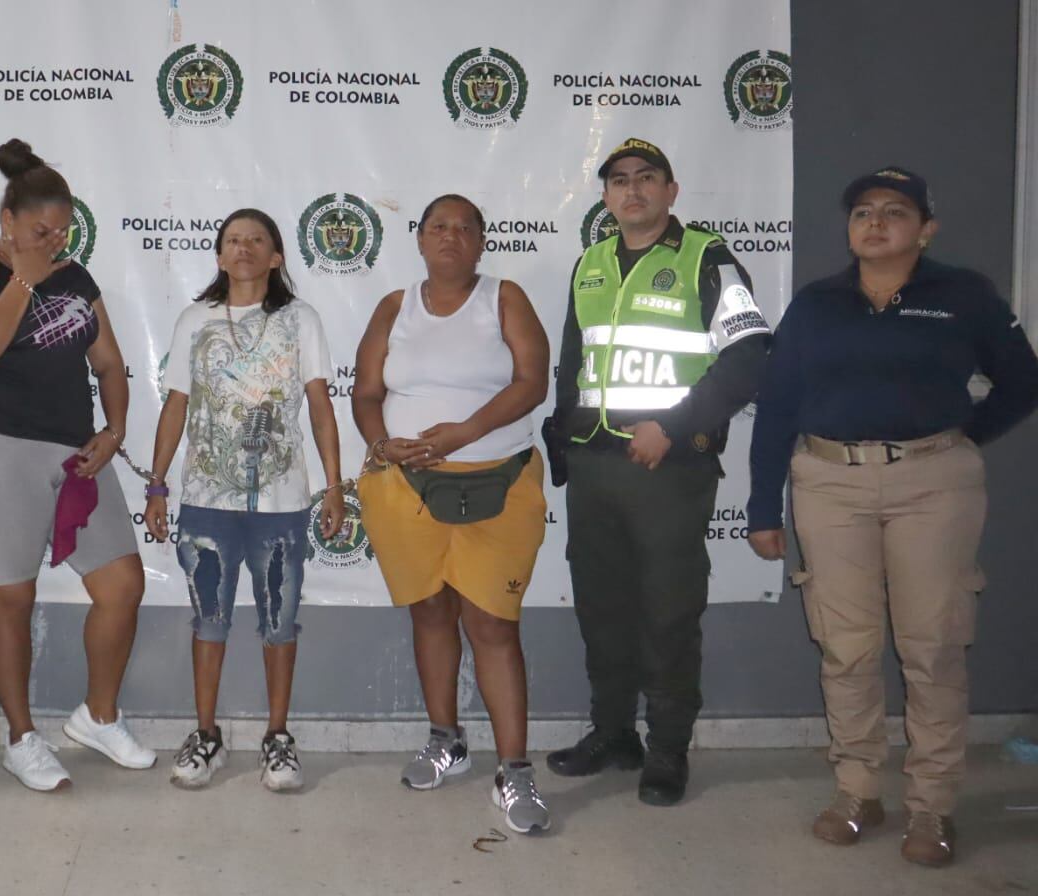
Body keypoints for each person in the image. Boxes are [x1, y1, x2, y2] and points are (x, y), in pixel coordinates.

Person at [747, 167, 1038, 867]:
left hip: (933, 485)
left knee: (932, 647)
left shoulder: (963, 295)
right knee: (845, 646)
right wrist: (762, 507)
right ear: (849, 229)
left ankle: (932, 806)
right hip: (829, 482)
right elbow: (778, 406)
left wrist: (962, 433)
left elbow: (1023, 380)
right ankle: (856, 791)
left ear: (925, 227)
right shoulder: (817, 306)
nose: (875, 223)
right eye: (862, 213)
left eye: (894, 211)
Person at [542, 138, 769, 806]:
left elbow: (750, 357)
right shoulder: (591, 263)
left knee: (668, 614)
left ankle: (668, 750)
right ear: (606, 197)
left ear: (672, 191)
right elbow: (572, 365)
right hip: (597, 469)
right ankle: (613, 734)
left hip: (669, 472)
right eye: (618, 180)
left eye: (647, 178)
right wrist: (566, 448)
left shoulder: (708, 258)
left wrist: (672, 428)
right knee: (603, 610)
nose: (632, 190)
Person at [0, 139, 152, 791]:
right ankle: (21, 738)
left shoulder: (77, 279)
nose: (53, 240)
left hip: (75, 454)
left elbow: (108, 362)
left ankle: (99, 716)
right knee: (12, 598)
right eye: (39, 229)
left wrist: (113, 430)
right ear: (8, 219)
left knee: (122, 586)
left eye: (62, 230)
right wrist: (24, 277)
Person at [351, 194, 553, 833]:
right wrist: (380, 442)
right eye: (438, 226)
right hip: (405, 489)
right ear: (419, 239)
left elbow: (532, 383)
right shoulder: (395, 307)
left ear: (482, 241)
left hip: (499, 482)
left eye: (465, 227)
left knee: (493, 626)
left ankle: (516, 772)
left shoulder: (505, 297)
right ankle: (446, 740)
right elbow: (366, 392)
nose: (451, 237)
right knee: (431, 613)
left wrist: (461, 434)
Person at [144, 208, 344, 792]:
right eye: (233, 240)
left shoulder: (300, 319)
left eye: (257, 240)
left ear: (277, 256)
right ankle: (205, 734)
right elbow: (176, 404)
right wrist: (157, 483)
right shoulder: (194, 320)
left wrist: (333, 485)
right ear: (219, 254)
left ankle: (277, 736)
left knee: (279, 622)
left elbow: (321, 407)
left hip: (282, 503)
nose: (244, 248)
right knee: (209, 620)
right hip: (207, 502)